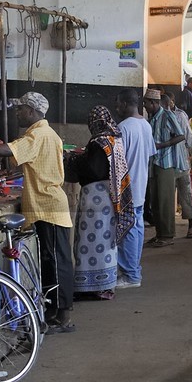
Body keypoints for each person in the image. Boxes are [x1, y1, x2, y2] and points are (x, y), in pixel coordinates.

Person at [0, 92, 76, 331]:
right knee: (53, 262)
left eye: (21, 109)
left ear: (33, 112)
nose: (17, 113)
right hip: (48, 206)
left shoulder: (38, 134)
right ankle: (56, 313)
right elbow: (35, 165)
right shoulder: (46, 133)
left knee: (57, 264)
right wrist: (11, 175)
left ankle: (63, 318)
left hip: (48, 207)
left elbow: (8, 150)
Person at [66, 106, 131, 300]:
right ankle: (106, 283)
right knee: (107, 242)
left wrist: (75, 160)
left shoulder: (97, 142)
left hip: (96, 198)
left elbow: (93, 170)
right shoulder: (115, 137)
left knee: (90, 241)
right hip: (112, 197)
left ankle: (91, 286)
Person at [113, 88, 153, 288]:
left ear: (127, 104)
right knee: (135, 228)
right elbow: (150, 153)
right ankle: (133, 271)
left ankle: (130, 275)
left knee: (128, 230)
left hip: (127, 187)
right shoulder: (145, 125)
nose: (117, 107)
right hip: (140, 185)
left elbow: (118, 161)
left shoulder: (123, 127)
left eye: (119, 103)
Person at [144, 87, 189, 247]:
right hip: (153, 164)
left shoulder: (167, 115)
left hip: (166, 163)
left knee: (165, 201)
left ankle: (168, 235)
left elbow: (181, 135)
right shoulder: (151, 119)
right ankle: (159, 234)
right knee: (155, 201)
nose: (144, 107)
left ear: (153, 103)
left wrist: (162, 145)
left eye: (146, 104)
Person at [163, 85, 192, 237]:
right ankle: (169, 230)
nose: (166, 105)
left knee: (186, 194)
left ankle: (191, 226)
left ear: (172, 102)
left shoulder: (180, 116)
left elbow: (189, 137)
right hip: (167, 164)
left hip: (181, 162)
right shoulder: (159, 116)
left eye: (168, 102)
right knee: (167, 198)